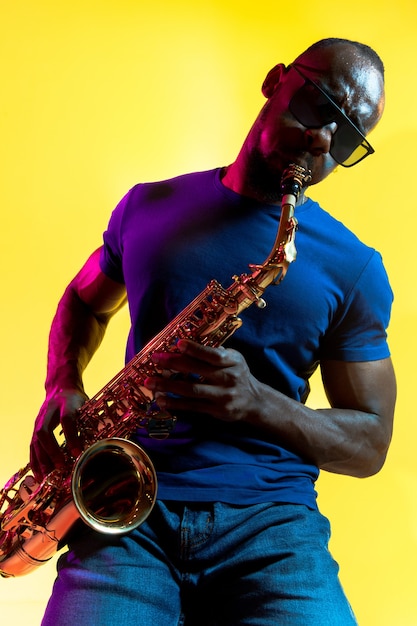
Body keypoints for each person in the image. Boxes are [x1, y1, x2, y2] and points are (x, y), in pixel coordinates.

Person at [30, 38, 396, 625]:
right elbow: (83, 299)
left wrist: (257, 405)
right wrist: (61, 382)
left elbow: (371, 442)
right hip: (124, 512)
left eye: (348, 135)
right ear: (276, 81)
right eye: (319, 103)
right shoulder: (149, 206)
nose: (323, 138)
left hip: (273, 527)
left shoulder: (355, 269)